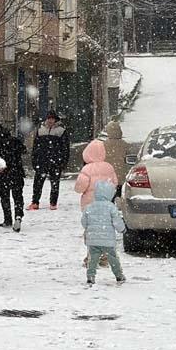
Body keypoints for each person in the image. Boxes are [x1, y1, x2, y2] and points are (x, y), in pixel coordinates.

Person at [74, 139, 119, 268]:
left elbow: (80, 187)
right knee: (104, 231)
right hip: (105, 205)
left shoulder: (87, 169)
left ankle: (91, 257)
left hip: (90, 205)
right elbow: (115, 182)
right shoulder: (109, 167)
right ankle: (104, 257)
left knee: (91, 231)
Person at [81, 181, 126, 286]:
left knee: (93, 259)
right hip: (108, 240)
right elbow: (117, 221)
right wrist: (122, 229)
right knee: (113, 258)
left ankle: (91, 276)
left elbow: (84, 222)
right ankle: (119, 275)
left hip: (93, 240)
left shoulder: (89, 207)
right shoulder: (111, 207)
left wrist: (89, 228)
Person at [28, 110, 70, 211]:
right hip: (42, 161)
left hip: (55, 161)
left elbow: (65, 148)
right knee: (38, 183)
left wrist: (63, 161)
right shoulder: (40, 130)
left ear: (55, 120)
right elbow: (35, 147)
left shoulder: (61, 131)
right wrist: (35, 159)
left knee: (54, 182)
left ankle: (53, 202)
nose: (50, 120)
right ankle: (35, 202)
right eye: (49, 118)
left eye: (52, 118)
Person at [0, 121, 25, 232]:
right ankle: (18, 216)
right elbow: (24, 150)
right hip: (16, 173)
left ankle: (7, 219)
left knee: (5, 198)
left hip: (3, 174)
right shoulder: (14, 140)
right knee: (18, 197)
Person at [103, 120, 130, 196]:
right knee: (119, 192)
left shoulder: (103, 145)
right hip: (121, 173)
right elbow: (130, 158)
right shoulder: (125, 145)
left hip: (108, 174)